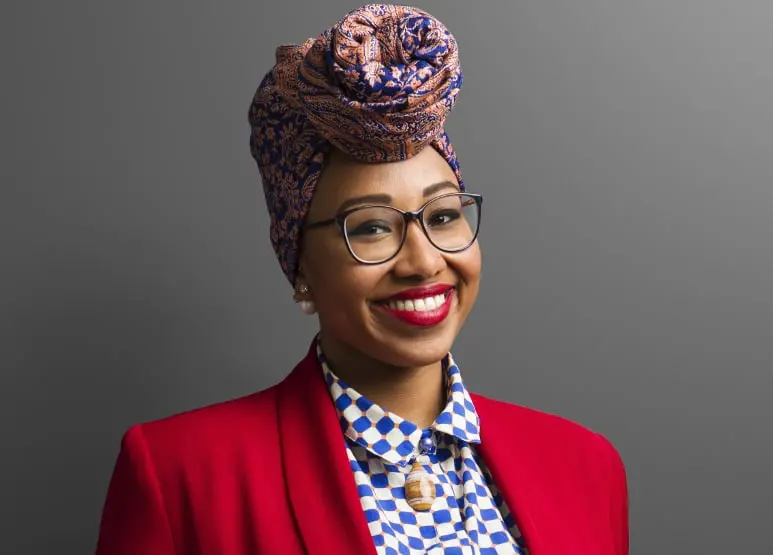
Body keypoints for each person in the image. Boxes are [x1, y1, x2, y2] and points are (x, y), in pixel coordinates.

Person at [94, 4, 628, 555]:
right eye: (371, 227)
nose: (423, 262)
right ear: (300, 264)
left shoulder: (585, 467)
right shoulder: (179, 475)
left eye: (444, 216)